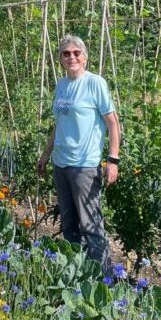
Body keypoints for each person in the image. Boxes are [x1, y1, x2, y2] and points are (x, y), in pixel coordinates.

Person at [36, 34, 121, 273]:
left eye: (76, 53)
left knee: (91, 225)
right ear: (60, 59)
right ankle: (79, 274)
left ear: (84, 57)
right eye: (66, 53)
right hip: (61, 164)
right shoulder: (62, 85)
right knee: (69, 224)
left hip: (84, 165)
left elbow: (113, 123)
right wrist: (45, 155)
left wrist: (112, 160)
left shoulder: (95, 83)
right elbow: (59, 124)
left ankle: (104, 280)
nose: (71, 57)